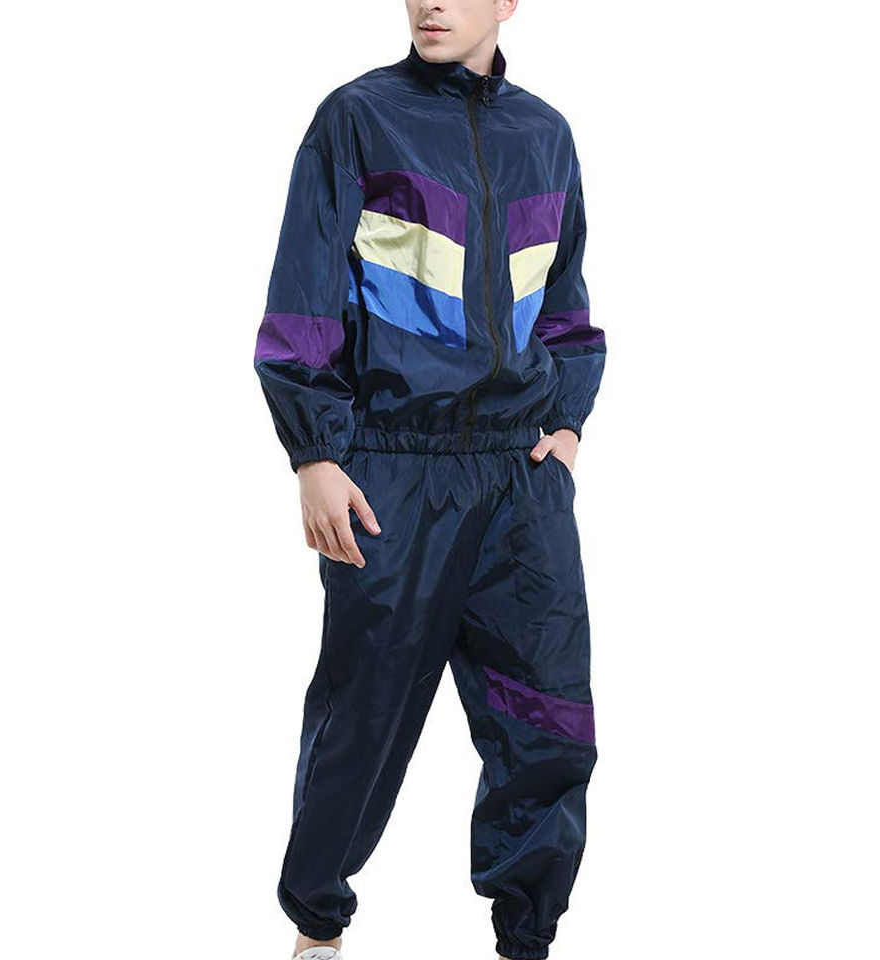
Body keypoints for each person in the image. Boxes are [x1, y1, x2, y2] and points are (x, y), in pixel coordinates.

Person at [253, 2, 606, 957]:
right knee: (363, 721)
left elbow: (564, 301)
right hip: (392, 477)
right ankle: (316, 928)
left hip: (521, 482)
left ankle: (527, 939)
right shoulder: (359, 118)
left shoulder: (545, 135)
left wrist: (566, 422)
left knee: (549, 726)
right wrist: (315, 452)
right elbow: (304, 289)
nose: (430, 2)